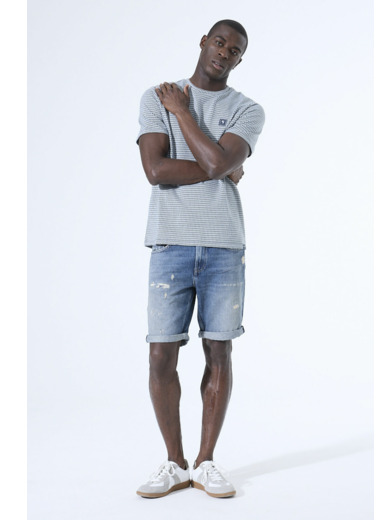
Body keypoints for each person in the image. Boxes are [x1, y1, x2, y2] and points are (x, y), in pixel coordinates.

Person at [136, 19, 265, 499]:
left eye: (234, 50)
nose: (224, 53)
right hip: (169, 242)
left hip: (223, 246)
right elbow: (156, 170)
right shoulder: (156, 96)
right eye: (219, 42)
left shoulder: (247, 110)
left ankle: (205, 462)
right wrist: (224, 167)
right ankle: (174, 463)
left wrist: (184, 114)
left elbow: (214, 163)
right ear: (204, 42)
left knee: (219, 350)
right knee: (160, 354)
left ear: (239, 59)